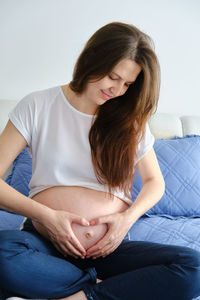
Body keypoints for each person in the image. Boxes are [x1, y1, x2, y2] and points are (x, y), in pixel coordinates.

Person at [0, 21, 199, 300]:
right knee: (2, 251)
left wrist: (126, 220)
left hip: (109, 248)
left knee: (194, 267)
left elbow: (155, 183)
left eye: (128, 84)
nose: (117, 90)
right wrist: (48, 217)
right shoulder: (37, 105)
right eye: (112, 77)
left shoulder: (129, 121)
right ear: (92, 59)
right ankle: (104, 288)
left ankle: (82, 295)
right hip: (44, 243)